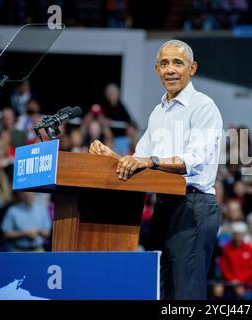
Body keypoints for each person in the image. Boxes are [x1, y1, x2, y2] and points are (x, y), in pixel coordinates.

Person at [89, 40, 223, 300]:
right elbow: (140, 160)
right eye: (164, 63)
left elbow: (192, 159)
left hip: (193, 207)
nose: (170, 69)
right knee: (160, 292)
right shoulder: (158, 112)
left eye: (177, 63)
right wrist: (113, 157)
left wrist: (149, 161)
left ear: (192, 68)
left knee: (186, 295)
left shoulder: (203, 106)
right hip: (163, 207)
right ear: (156, 69)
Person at [219, 221, 252, 300]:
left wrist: (240, 281)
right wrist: (233, 281)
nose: (238, 237)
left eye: (241, 234)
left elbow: (251, 268)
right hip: (230, 285)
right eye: (237, 234)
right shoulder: (226, 248)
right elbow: (224, 267)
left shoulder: (249, 249)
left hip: (246, 287)